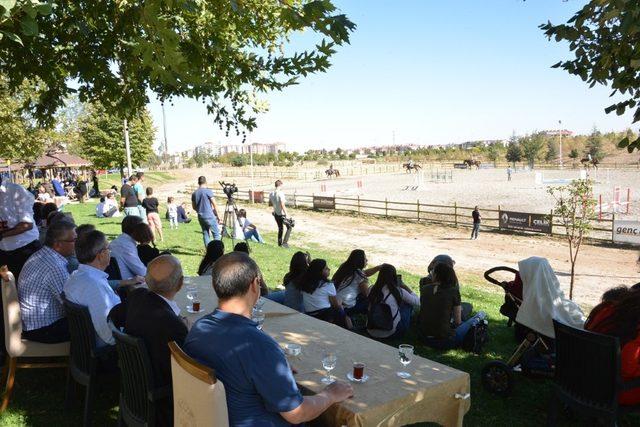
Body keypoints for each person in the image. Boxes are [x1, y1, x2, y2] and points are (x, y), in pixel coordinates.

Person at [183, 252, 353, 427]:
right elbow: (297, 413)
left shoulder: (199, 327)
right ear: (254, 285)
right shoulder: (259, 346)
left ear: (214, 284)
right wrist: (330, 394)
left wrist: (272, 365)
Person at [124, 255, 188, 425]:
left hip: (133, 382)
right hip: (162, 396)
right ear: (180, 284)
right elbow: (187, 370)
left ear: (147, 280)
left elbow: (112, 317)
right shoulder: (173, 327)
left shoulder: (136, 297)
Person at [18, 220, 77, 343]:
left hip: (33, 325)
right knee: (90, 324)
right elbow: (72, 305)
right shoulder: (54, 266)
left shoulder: (42, 255)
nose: (77, 244)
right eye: (73, 241)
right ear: (57, 244)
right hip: (42, 329)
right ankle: (86, 361)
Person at [64, 230, 121, 347]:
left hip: (87, 341)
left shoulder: (76, 276)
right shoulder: (94, 285)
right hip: (107, 347)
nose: (110, 252)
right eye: (108, 249)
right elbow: (108, 334)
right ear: (101, 255)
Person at [585, 288, 640, 405]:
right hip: (614, 392)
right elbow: (627, 371)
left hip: (582, 380)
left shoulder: (605, 311)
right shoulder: (634, 330)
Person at [419, 263, 486, 350]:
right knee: (476, 318)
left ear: (436, 275)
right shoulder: (453, 291)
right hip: (445, 341)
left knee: (466, 308)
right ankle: (479, 316)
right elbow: (458, 322)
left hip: (423, 337)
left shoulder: (425, 289)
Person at [0, 176, 43, 280]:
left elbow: (27, 224)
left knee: (28, 288)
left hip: (26, 249)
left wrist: (1, 235)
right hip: (3, 252)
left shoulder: (16, 191)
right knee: (7, 291)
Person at [366, 264, 420, 339]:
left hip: (370, 329)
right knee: (408, 305)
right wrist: (405, 287)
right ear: (394, 277)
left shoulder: (371, 289)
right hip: (391, 333)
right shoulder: (398, 291)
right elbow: (417, 302)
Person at [300, 259, 352, 329]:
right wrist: (340, 304)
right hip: (325, 315)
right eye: (326, 268)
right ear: (320, 271)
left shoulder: (305, 282)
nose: (329, 269)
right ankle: (350, 329)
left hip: (309, 314)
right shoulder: (328, 285)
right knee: (341, 309)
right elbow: (335, 305)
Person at [332, 249, 382, 315]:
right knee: (370, 300)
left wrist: (378, 268)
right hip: (346, 306)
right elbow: (367, 294)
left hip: (333, 300)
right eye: (364, 258)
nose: (367, 260)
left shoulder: (345, 267)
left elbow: (364, 273)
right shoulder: (360, 276)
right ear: (360, 261)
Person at [191, 176, 221, 246]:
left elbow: (194, 207)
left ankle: (208, 251)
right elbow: (215, 205)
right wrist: (219, 216)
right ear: (206, 182)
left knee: (205, 233)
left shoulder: (194, 193)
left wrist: (199, 210)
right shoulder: (208, 191)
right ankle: (218, 250)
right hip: (209, 216)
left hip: (200, 216)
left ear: (198, 183)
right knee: (216, 234)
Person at [269, 180, 292, 248]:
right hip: (282, 214)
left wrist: (275, 204)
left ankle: (279, 243)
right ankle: (285, 243)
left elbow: (270, 204)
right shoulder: (281, 193)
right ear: (280, 185)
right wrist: (287, 214)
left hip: (276, 213)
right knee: (289, 227)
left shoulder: (271, 193)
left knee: (280, 228)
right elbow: (282, 205)